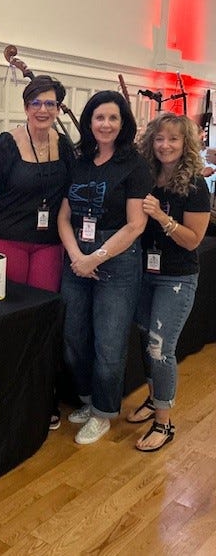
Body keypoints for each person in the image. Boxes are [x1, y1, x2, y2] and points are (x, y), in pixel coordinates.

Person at [0, 74, 76, 430]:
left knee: (44, 321)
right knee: (10, 320)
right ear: (26, 106)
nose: (43, 110)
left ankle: (42, 396)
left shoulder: (67, 148)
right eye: (36, 103)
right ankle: (6, 396)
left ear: (58, 108)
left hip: (48, 246)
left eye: (50, 103)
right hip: (6, 244)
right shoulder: (2, 146)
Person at [57, 90, 151, 445]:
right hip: (77, 256)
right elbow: (64, 217)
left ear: (123, 122)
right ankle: (87, 399)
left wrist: (95, 257)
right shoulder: (79, 160)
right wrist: (77, 257)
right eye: (99, 117)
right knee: (73, 337)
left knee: (109, 345)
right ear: (89, 121)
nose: (106, 124)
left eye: (113, 118)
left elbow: (135, 225)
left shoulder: (134, 164)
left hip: (117, 260)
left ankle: (103, 412)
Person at [127, 113, 210, 452]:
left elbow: (193, 240)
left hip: (176, 278)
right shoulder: (146, 175)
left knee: (161, 349)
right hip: (144, 272)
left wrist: (161, 216)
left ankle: (165, 422)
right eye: (159, 139)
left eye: (173, 139)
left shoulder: (195, 184)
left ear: (185, 143)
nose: (165, 145)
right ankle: (153, 399)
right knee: (147, 340)